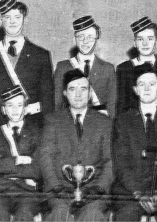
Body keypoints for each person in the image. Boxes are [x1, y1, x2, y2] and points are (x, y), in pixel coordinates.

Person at [0, 0, 54, 146]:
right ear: (1, 20)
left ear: (24, 19)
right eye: (7, 17)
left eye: (17, 17)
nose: (12, 21)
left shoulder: (40, 55)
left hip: (31, 127)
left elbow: (48, 98)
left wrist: (48, 131)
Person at [112, 64, 157, 221]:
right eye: (141, 84)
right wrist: (138, 194)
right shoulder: (123, 121)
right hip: (130, 191)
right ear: (135, 90)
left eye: (151, 84)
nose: (146, 88)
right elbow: (121, 164)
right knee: (127, 213)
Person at [39, 69, 113, 221]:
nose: (78, 94)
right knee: (61, 213)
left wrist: (98, 188)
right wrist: (57, 188)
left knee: (92, 214)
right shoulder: (52, 120)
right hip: (59, 190)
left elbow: (110, 161)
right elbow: (46, 158)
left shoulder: (104, 122)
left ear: (90, 92)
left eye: (83, 89)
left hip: (94, 191)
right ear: (65, 93)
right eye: (72, 89)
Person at [0, 85, 41, 221]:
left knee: (25, 213)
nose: (15, 110)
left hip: (27, 191)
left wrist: (2, 167)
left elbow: (37, 169)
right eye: (10, 105)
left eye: (19, 105)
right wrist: (18, 160)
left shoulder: (37, 133)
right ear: (3, 110)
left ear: (26, 109)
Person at [54, 15, 116, 118]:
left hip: (99, 123)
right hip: (70, 121)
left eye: (90, 37)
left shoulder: (108, 68)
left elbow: (112, 105)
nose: (85, 41)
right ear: (74, 40)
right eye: (81, 36)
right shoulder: (63, 67)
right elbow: (57, 103)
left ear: (97, 38)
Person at [116, 16, 157, 116]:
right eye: (140, 39)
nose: (145, 43)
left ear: (156, 43)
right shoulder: (124, 69)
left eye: (150, 39)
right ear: (135, 43)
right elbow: (122, 105)